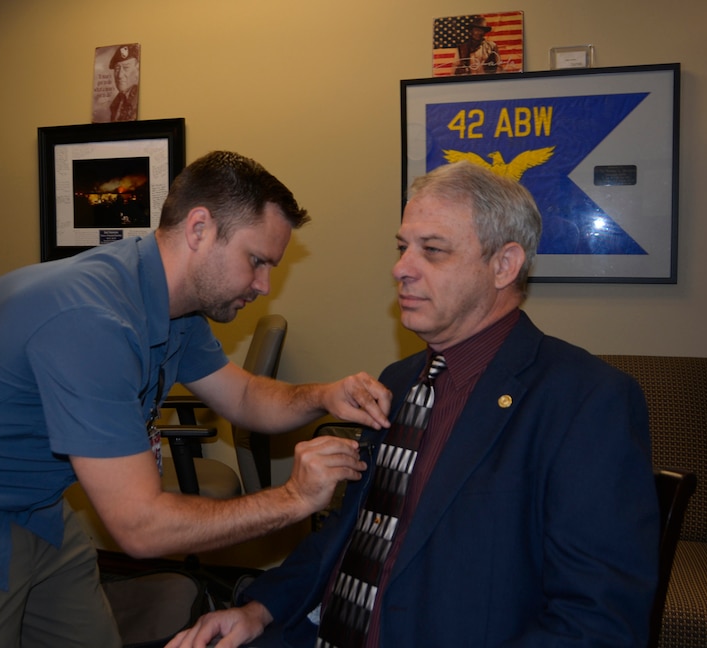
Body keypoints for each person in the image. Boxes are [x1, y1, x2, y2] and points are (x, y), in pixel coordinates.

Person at [167, 161, 660, 648]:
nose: (400, 269)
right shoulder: (399, 382)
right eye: (403, 248)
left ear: (504, 265)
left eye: (433, 251)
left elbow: (598, 622)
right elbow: (354, 531)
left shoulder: (586, 402)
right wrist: (260, 609)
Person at [0, 150, 392, 646]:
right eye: (256, 261)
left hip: (39, 506)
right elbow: (141, 529)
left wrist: (325, 396)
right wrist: (292, 500)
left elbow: (245, 397)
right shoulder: (92, 321)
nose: (264, 286)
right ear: (199, 228)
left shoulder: (173, 308)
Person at [109, 43, 140, 121]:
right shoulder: (117, 103)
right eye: (117, 69)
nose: (119, 75)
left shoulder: (139, 99)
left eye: (126, 68)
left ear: (138, 69)